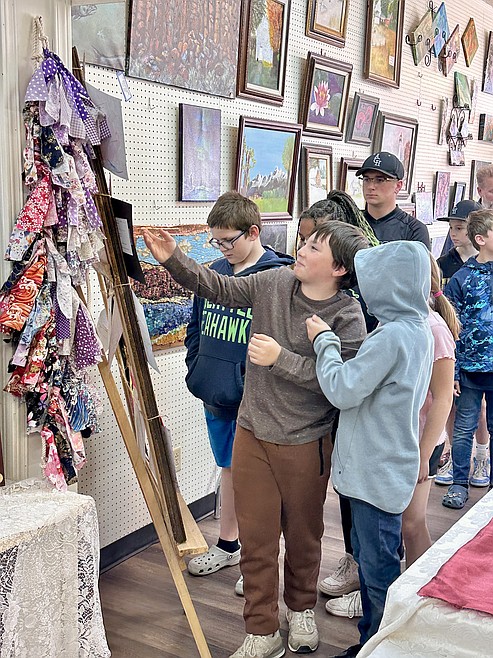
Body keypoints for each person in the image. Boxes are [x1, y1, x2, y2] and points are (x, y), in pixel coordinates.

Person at [143, 218, 368, 658]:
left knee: (304, 537)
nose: (301, 250)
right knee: (257, 539)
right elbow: (219, 288)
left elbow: (341, 384)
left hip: (307, 441)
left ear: (339, 268)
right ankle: (262, 630)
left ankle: (300, 609)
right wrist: (173, 259)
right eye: (305, 242)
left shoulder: (347, 315)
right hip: (252, 433)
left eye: (314, 247)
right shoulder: (275, 282)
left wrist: (280, 358)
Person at [306, 240, 433, 658]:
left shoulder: (391, 336)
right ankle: (371, 642)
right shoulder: (418, 326)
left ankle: (376, 648)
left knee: (377, 572)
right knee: (374, 560)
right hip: (386, 466)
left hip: (374, 472)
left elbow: (343, 389)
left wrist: (325, 341)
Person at [184, 192, 294, 590]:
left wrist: (253, 383)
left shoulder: (277, 277)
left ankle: (258, 562)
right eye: (216, 241)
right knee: (228, 469)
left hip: (257, 400)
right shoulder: (214, 272)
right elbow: (196, 327)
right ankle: (228, 544)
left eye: (228, 240)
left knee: (261, 482)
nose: (223, 248)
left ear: (253, 232)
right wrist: (196, 367)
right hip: (215, 393)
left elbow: (283, 339)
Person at [434, 199, 490, 489]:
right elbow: (450, 326)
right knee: (462, 422)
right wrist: (454, 370)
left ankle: (485, 469)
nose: (454, 233)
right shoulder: (458, 276)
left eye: (460, 228)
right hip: (467, 366)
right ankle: (458, 478)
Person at [355, 151, 430, 248]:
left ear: (398, 186)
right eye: (366, 179)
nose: (371, 186)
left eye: (380, 180)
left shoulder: (414, 230)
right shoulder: (351, 221)